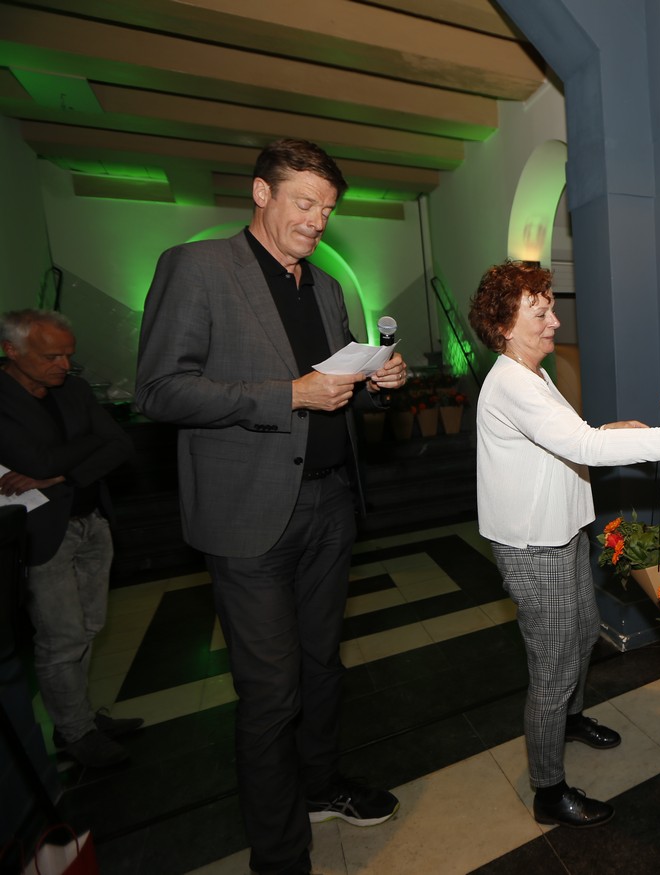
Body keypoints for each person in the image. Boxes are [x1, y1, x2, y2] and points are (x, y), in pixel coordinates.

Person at [135, 139, 408, 875]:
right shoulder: (197, 267)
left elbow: (334, 390)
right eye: (304, 202)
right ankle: (279, 855)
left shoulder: (326, 288)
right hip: (248, 514)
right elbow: (159, 390)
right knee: (270, 692)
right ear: (261, 193)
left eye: (327, 209)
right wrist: (287, 394)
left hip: (330, 504)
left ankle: (319, 786)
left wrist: (376, 382)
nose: (317, 220)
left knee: (322, 668)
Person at [468, 261, 660, 828]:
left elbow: (568, 438)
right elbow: (583, 449)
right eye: (539, 312)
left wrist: (607, 431)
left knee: (581, 633)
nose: (554, 320)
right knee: (553, 666)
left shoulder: (531, 373)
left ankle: (569, 721)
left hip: (563, 530)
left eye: (550, 307)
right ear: (504, 326)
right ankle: (548, 790)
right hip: (534, 545)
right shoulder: (511, 383)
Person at [0, 310, 142, 769]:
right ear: (11, 350)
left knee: (90, 628)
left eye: (68, 356)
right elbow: (35, 459)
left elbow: (120, 444)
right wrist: (82, 449)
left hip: (92, 519)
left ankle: (76, 718)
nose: (63, 365)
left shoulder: (74, 389)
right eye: (51, 357)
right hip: (43, 532)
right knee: (61, 638)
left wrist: (60, 472)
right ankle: (76, 733)